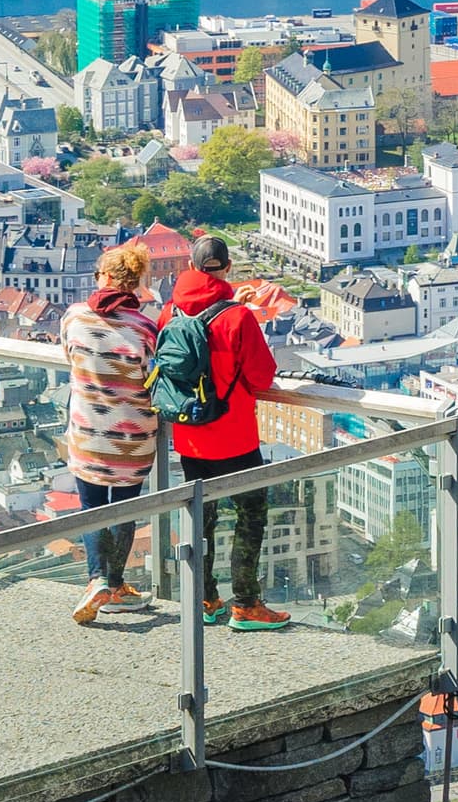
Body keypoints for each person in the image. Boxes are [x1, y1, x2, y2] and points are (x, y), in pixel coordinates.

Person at [161, 232, 286, 631]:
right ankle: (246, 604)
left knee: (201, 520)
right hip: (235, 437)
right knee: (250, 515)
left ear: (191, 269)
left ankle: (204, 598)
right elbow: (262, 376)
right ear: (228, 268)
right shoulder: (238, 317)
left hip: (190, 436)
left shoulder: (170, 314)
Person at [57, 242, 161, 626]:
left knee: (92, 509)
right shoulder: (146, 328)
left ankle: (97, 580)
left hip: (87, 431)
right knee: (125, 509)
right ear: (136, 284)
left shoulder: (74, 318)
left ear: (103, 277)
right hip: (133, 436)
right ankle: (114, 585)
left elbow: (70, 357)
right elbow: (153, 378)